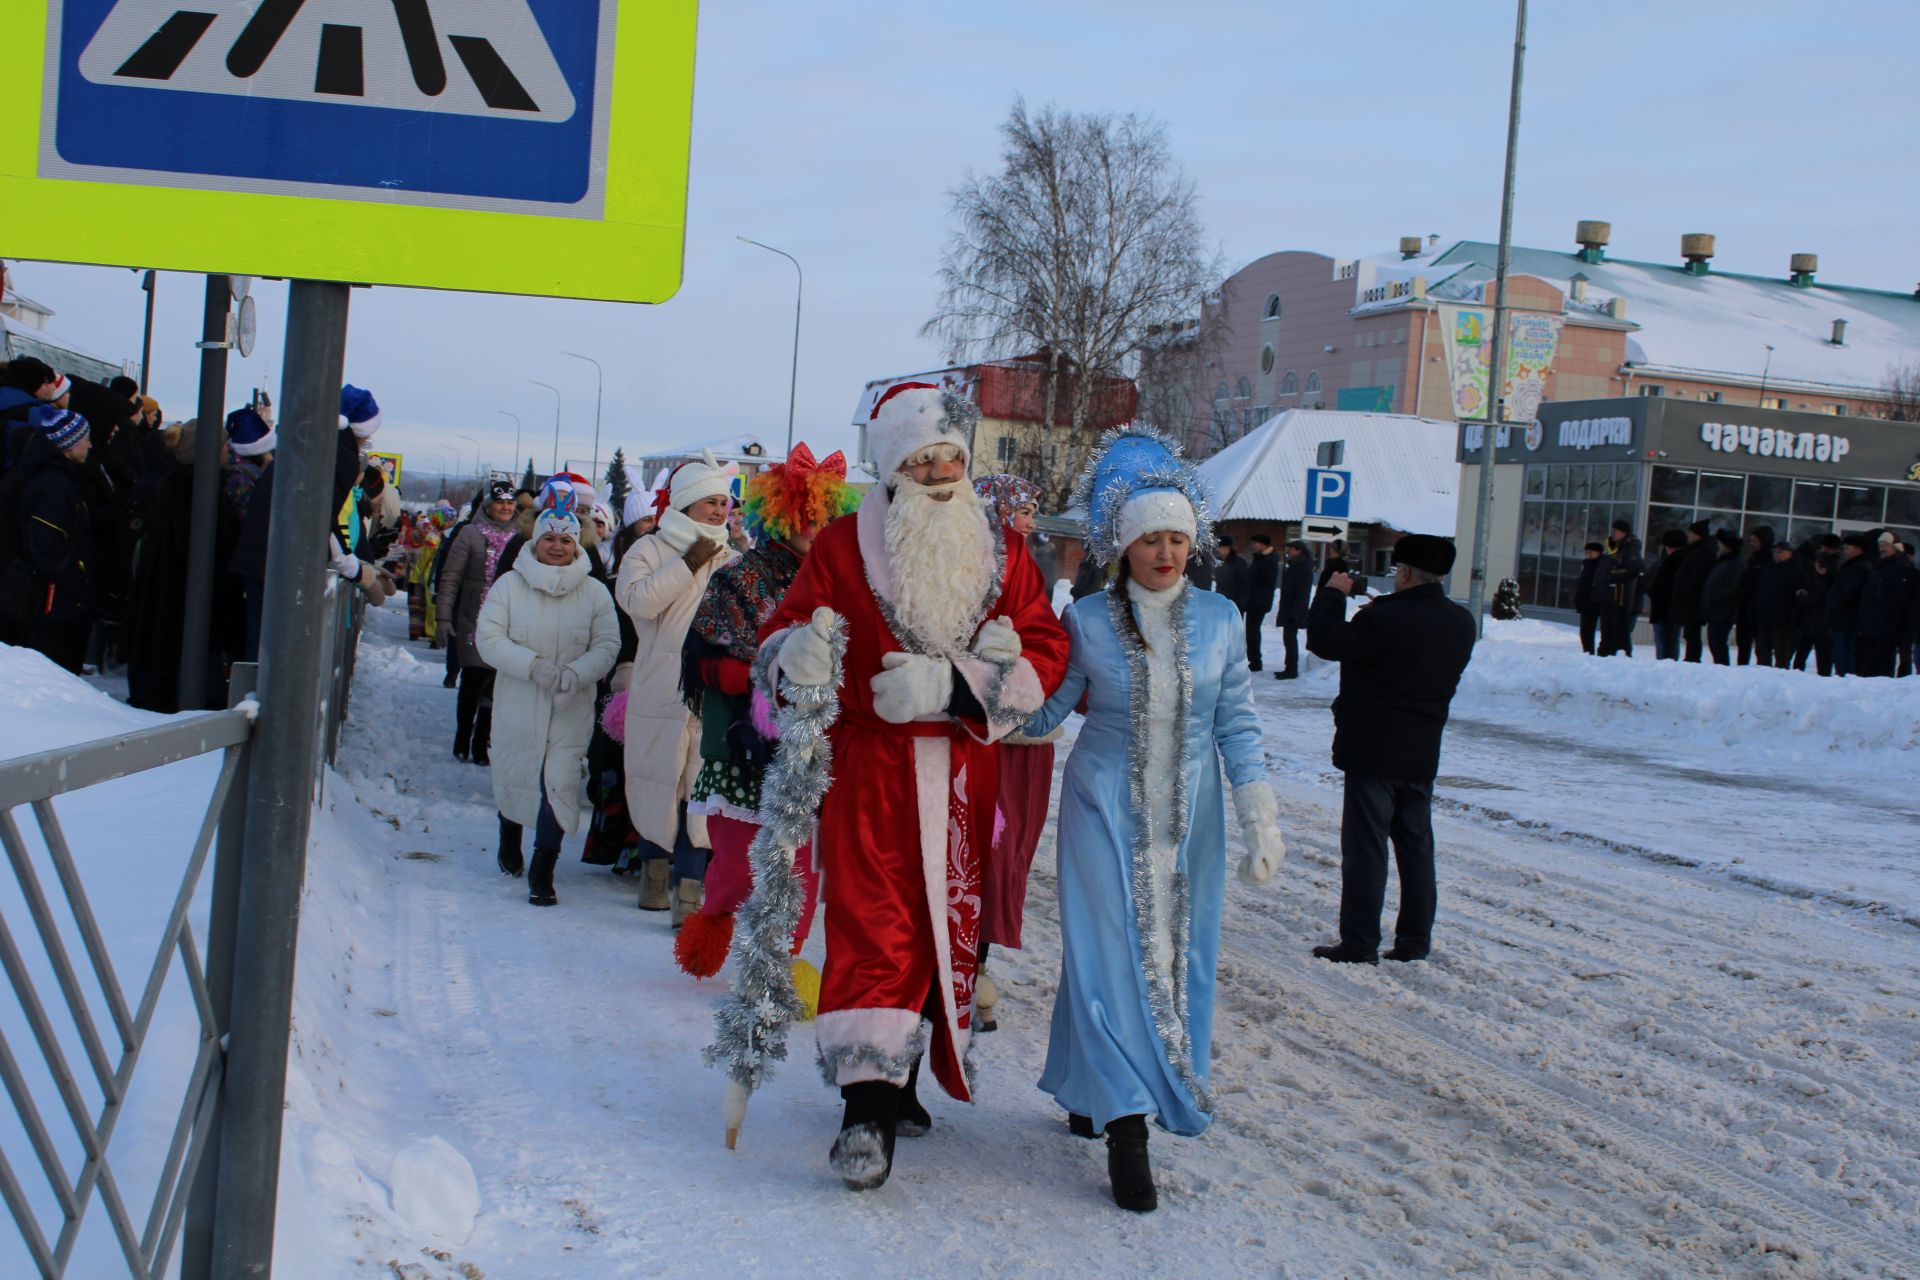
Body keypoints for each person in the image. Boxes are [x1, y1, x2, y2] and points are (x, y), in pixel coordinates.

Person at [745, 383, 1068, 1190]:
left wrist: (956, 686)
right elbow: (781, 631)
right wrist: (796, 657)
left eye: (948, 456)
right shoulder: (843, 545)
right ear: (891, 469)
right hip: (869, 771)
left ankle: (904, 1081)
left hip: (966, 773)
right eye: (919, 459)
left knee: (946, 933)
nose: (936, 470)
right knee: (871, 928)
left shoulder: (1003, 551)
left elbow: (1045, 652)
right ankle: (865, 1112)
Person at [1020, 429, 1285, 1213]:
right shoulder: (1091, 620)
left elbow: (1236, 723)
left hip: (1192, 819)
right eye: (1149, 539)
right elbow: (1051, 714)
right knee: (1107, 956)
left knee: (1170, 959)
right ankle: (1128, 1127)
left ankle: (1086, 1082)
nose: (1165, 552)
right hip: (1101, 803)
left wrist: (1259, 816)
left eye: (1177, 537)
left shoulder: (1222, 618)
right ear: (1124, 546)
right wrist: (992, 692)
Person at [673, 444, 858, 977]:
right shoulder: (741, 577)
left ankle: (783, 964)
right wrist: (760, 677)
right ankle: (712, 923)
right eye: (804, 517)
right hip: (745, 749)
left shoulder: (848, 585)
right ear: (779, 516)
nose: (813, 528)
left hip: (813, 751)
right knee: (735, 867)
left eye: (824, 518)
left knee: (801, 868)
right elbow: (701, 661)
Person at [1306, 533, 1475, 965]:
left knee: (1366, 850)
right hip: (1421, 752)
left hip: (1372, 750)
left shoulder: (1383, 620)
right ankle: (1414, 941)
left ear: (1403, 572)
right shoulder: (1460, 622)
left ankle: (1359, 943)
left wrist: (1331, 594)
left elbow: (1324, 641)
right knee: (1416, 850)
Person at [474, 500, 620, 906]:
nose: (557, 547)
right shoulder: (509, 585)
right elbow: (489, 638)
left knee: (559, 780)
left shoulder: (594, 591)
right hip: (520, 698)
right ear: (535, 541)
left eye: (566, 541)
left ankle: (545, 863)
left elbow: (607, 643)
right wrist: (532, 666)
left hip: (570, 704)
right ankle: (510, 831)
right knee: (518, 769)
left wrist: (578, 672)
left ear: (578, 546)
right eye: (549, 539)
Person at [617, 450, 740, 920]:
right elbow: (639, 604)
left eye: (723, 502)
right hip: (660, 684)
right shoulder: (648, 549)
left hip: (712, 691)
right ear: (685, 502)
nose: (717, 510)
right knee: (657, 779)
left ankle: (689, 891)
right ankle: (653, 874)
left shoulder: (732, 559)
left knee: (700, 787)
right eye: (708, 500)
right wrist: (688, 562)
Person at [968, 472, 1055, 1033]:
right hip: (970, 726)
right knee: (972, 845)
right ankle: (962, 969)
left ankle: (977, 967)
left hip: (1021, 736)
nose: (1030, 518)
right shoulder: (970, 562)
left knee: (1003, 856)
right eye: (1022, 507)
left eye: (1032, 508)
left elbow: (1045, 638)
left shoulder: (1029, 561)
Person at [0, 406, 98, 670]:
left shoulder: (58, 479)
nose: (89, 445)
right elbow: (48, 545)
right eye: (85, 439)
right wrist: (79, 584)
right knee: (55, 670)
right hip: (51, 602)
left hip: (53, 598)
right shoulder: (54, 485)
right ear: (67, 445)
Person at [435, 479, 520, 763]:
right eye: (500, 502)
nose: (506, 507)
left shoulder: (521, 537)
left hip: (506, 624)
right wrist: (443, 616)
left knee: (495, 685)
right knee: (472, 679)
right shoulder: (470, 534)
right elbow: (450, 578)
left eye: (510, 502)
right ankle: (462, 736)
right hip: (473, 620)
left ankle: (482, 744)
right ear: (489, 505)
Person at [1859, 531, 1915, 678]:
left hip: (1886, 625)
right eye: (1879, 545)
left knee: (1882, 665)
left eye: (1884, 545)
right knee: (1870, 664)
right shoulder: (1882, 566)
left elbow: (1898, 597)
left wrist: (1880, 613)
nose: (1881, 549)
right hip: (1874, 623)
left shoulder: (1900, 567)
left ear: (1895, 547)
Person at [1753, 541, 1808, 671]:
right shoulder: (1769, 569)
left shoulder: (1797, 571)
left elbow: (1801, 598)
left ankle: (1780, 679)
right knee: (1762, 652)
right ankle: (1762, 675)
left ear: (1790, 553)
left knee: (1782, 655)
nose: (1776, 554)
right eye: (1775, 552)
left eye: (1780, 552)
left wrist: (1794, 617)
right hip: (1765, 617)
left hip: (1785, 620)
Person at [1824, 533, 1873, 677]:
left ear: (1858, 550)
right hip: (1842, 620)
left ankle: (1846, 682)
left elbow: (1848, 594)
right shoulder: (1849, 566)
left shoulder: (1860, 568)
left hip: (1849, 621)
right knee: (1840, 656)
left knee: (1845, 657)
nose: (1843, 551)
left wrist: (1835, 606)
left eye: (1847, 547)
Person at [1670, 520, 1716, 663]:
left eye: (1691, 533)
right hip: (1689, 599)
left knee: (1692, 633)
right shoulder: (1695, 550)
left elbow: (1698, 577)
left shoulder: (1703, 552)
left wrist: (1685, 588)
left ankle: (1692, 658)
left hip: (1693, 600)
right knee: (1689, 634)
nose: (1689, 535)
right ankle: (1691, 657)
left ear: (1698, 535)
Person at [1700, 530, 1743, 666]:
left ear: (1728, 546)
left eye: (1721, 543)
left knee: (1718, 642)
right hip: (1715, 610)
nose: (1718, 546)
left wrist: (1714, 597)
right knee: (1714, 642)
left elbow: (1731, 587)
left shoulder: (1735, 564)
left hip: (1724, 611)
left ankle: (1722, 668)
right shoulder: (1722, 562)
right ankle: (1719, 666)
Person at [1600, 518, 1643, 657]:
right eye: (1613, 531)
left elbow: (1633, 569)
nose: (1613, 534)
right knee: (1607, 628)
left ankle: (1619, 653)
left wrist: (1612, 575)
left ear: (1624, 533)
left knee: (1619, 629)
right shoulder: (1617, 547)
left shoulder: (1630, 549)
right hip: (1611, 594)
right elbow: (1610, 563)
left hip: (1621, 595)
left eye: (1616, 531)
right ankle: (1606, 652)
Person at [1644, 530, 1687, 660]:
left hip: (1664, 608)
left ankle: (1665, 663)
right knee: (1671, 639)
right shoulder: (1684, 561)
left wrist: (1654, 594)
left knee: (1665, 640)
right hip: (1672, 608)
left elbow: (1650, 583)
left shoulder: (1666, 563)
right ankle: (1668, 662)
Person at [1733, 527, 1774, 665]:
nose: (1751, 544)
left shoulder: (1769, 562)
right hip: (1746, 610)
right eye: (1750, 541)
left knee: (1762, 649)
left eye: (1754, 541)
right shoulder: (1751, 560)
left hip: (1761, 612)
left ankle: (1762, 672)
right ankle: (1742, 670)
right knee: (1743, 645)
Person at [1274, 539, 1313, 680]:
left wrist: (1295, 613)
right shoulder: (1294, 566)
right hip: (1289, 609)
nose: (1289, 551)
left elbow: (1302, 594)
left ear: (1299, 551)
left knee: (1290, 640)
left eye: (1291, 549)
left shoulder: (1303, 568)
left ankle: (1291, 669)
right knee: (1288, 639)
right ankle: (1289, 668)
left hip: (1294, 611)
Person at [1242, 533, 1279, 671]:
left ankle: (1256, 662)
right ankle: (1254, 660)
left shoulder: (1268, 560)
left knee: (1252, 632)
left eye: (1255, 543)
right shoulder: (1261, 558)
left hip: (1259, 602)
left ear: (1263, 545)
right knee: (1251, 631)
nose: (1252, 545)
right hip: (1255, 600)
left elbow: (1264, 583)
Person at [1574, 542, 1606, 655]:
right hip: (1586, 602)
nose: (1587, 555)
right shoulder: (1587, 564)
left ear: (1598, 553)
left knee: (1593, 629)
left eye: (1590, 552)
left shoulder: (1600, 564)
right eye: (1586, 552)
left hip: (1595, 601)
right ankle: (1588, 651)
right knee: (1585, 630)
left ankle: (1595, 652)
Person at [1212, 535, 1247, 610]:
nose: (1218, 549)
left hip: (1235, 604)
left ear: (1228, 547)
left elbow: (1244, 586)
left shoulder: (1240, 563)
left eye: (1220, 546)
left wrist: (1239, 605)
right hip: (1220, 601)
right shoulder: (1219, 561)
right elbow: (1219, 583)